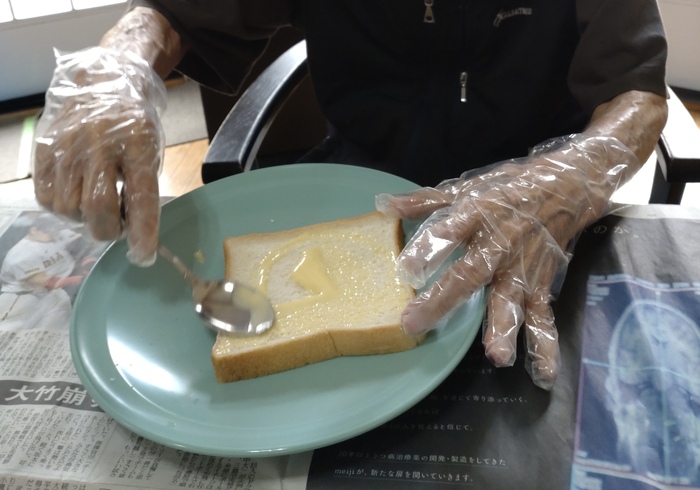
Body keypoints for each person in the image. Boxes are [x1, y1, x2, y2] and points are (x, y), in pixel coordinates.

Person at [31, 0, 669, 390]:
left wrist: (569, 175)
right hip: (359, 183)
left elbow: (637, 95)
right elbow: (177, 11)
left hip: (543, 206)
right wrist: (121, 62)